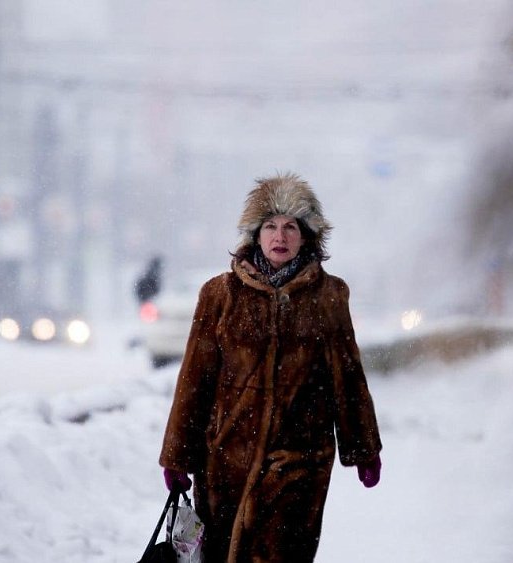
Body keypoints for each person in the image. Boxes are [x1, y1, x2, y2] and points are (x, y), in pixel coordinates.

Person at [159, 172, 383, 562]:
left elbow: (347, 378)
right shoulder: (219, 295)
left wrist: (363, 448)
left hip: (300, 466)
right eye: (270, 226)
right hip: (226, 460)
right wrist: (177, 455)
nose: (280, 236)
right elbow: (195, 379)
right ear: (256, 235)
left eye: (290, 227)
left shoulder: (328, 297)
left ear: (306, 236)